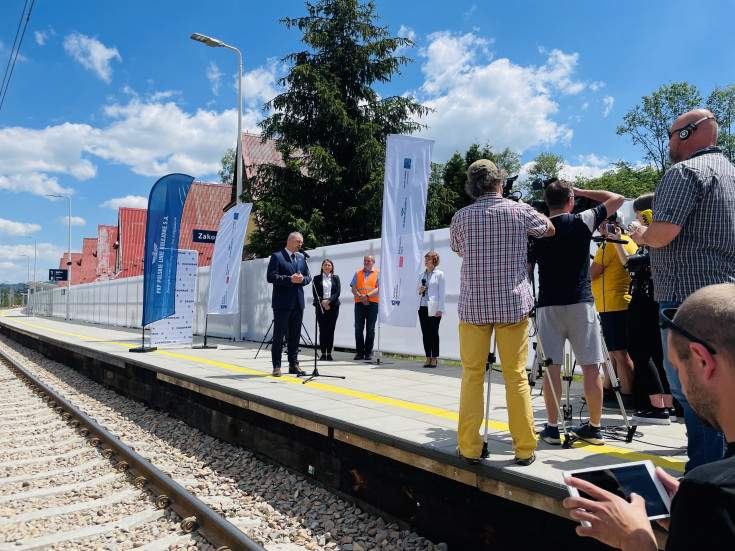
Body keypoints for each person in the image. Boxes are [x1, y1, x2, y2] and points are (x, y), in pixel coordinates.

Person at [562, 283, 735, 551]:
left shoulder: (710, 494)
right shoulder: (708, 496)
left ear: (703, 361)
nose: (679, 388)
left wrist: (636, 540)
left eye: (675, 370)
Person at [630, 108, 735, 471]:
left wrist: (641, 235)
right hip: (727, 295)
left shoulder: (684, 171)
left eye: (673, 134)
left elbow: (662, 233)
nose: (671, 142)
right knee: (724, 386)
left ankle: (704, 477)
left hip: (686, 301)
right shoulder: (731, 174)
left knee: (693, 394)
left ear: (688, 134)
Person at [450, 159, 554, 466]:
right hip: (512, 305)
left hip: (474, 306)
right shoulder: (519, 211)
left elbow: (458, 249)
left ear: (472, 187)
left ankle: (469, 448)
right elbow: (549, 229)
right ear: (500, 182)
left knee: (472, 376)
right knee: (516, 377)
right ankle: (523, 448)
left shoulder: (461, 217)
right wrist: (519, 204)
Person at [531, 180, 624, 446]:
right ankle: (594, 428)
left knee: (552, 369)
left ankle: (551, 428)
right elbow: (616, 197)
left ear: (546, 203)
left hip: (548, 304)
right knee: (592, 368)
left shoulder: (537, 229)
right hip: (581, 303)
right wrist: (582, 192)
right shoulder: (582, 220)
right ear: (570, 200)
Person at [614, 193, 674, 425]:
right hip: (657, 301)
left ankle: (657, 407)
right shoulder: (665, 236)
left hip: (644, 301)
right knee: (657, 354)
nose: (637, 219)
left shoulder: (655, 237)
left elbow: (636, 264)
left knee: (640, 352)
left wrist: (630, 239)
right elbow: (634, 264)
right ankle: (665, 405)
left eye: (639, 214)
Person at [590, 212, 637, 411]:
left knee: (619, 352)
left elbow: (593, 273)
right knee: (612, 352)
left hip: (612, 303)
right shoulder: (628, 241)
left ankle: (627, 395)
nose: (599, 229)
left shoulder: (609, 244)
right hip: (616, 302)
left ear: (610, 225)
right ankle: (608, 390)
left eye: (601, 225)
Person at [266, 232, 310, 377]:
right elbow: (271, 277)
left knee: (295, 336)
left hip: (298, 302)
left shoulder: (301, 258)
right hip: (282, 303)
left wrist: (302, 279)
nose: (300, 245)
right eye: (298, 241)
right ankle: (277, 366)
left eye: (301, 242)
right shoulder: (277, 257)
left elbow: (308, 277)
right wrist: (289, 279)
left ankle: (294, 364)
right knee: (279, 335)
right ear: (289, 240)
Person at [417, 251, 445, 368]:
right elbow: (416, 291)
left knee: (434, 333)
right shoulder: (420, 275)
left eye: (428, 259)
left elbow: (441, 293)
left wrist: (440, 309)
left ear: (434, 261)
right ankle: (428, 356)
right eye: (425, 258)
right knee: (425, 333)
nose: (426, 260)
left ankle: (434, 358)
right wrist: (420, 291)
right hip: (422, 305)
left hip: (434, 306)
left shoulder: (439, 274)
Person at [350, 254, 379, 360]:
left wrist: (366, 297)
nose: (366, 262)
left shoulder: (378, 273)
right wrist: (361, 297)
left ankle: (368, 353)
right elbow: (353, 287)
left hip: (373, 304)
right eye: (365, 260)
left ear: (373, 262)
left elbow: (379, 289)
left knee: (370, 329)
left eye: (369, 261)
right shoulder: (358, 272)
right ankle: (359, 352)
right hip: (359, 304)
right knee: (358, 329)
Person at [312, 258, 341, 361]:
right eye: (325, 265)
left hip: (333, 307)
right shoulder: (316, 278)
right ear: (322, 266)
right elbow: (315, 293)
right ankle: (323, 353)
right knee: (322, 330)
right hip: (321, 307)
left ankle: (329, 353)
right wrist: (322, 302)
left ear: (332, 267)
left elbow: (337, 292)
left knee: (330, 330)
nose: (327, 266)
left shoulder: (336, 278)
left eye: (329, 265)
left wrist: (328, 301)